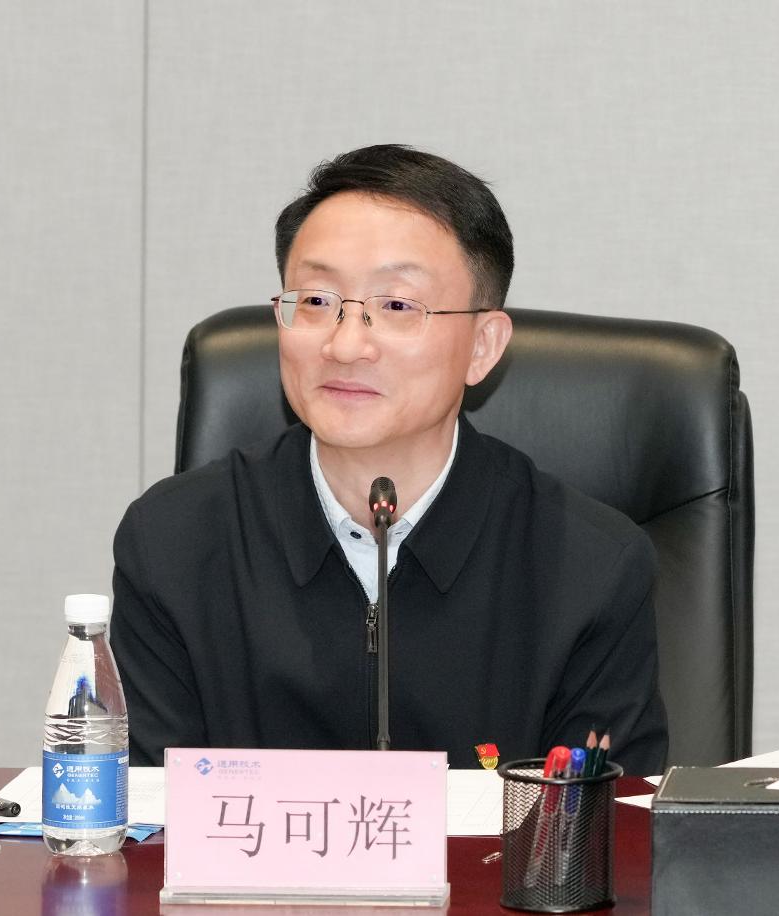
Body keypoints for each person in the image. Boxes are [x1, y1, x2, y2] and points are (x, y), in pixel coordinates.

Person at [110, 144, 668, 775]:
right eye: (315, 301)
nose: (346, 344)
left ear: (483, 346)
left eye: (397, 306)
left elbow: (601, 824)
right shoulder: (175, 543)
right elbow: (145, 812)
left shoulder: (589, 567)